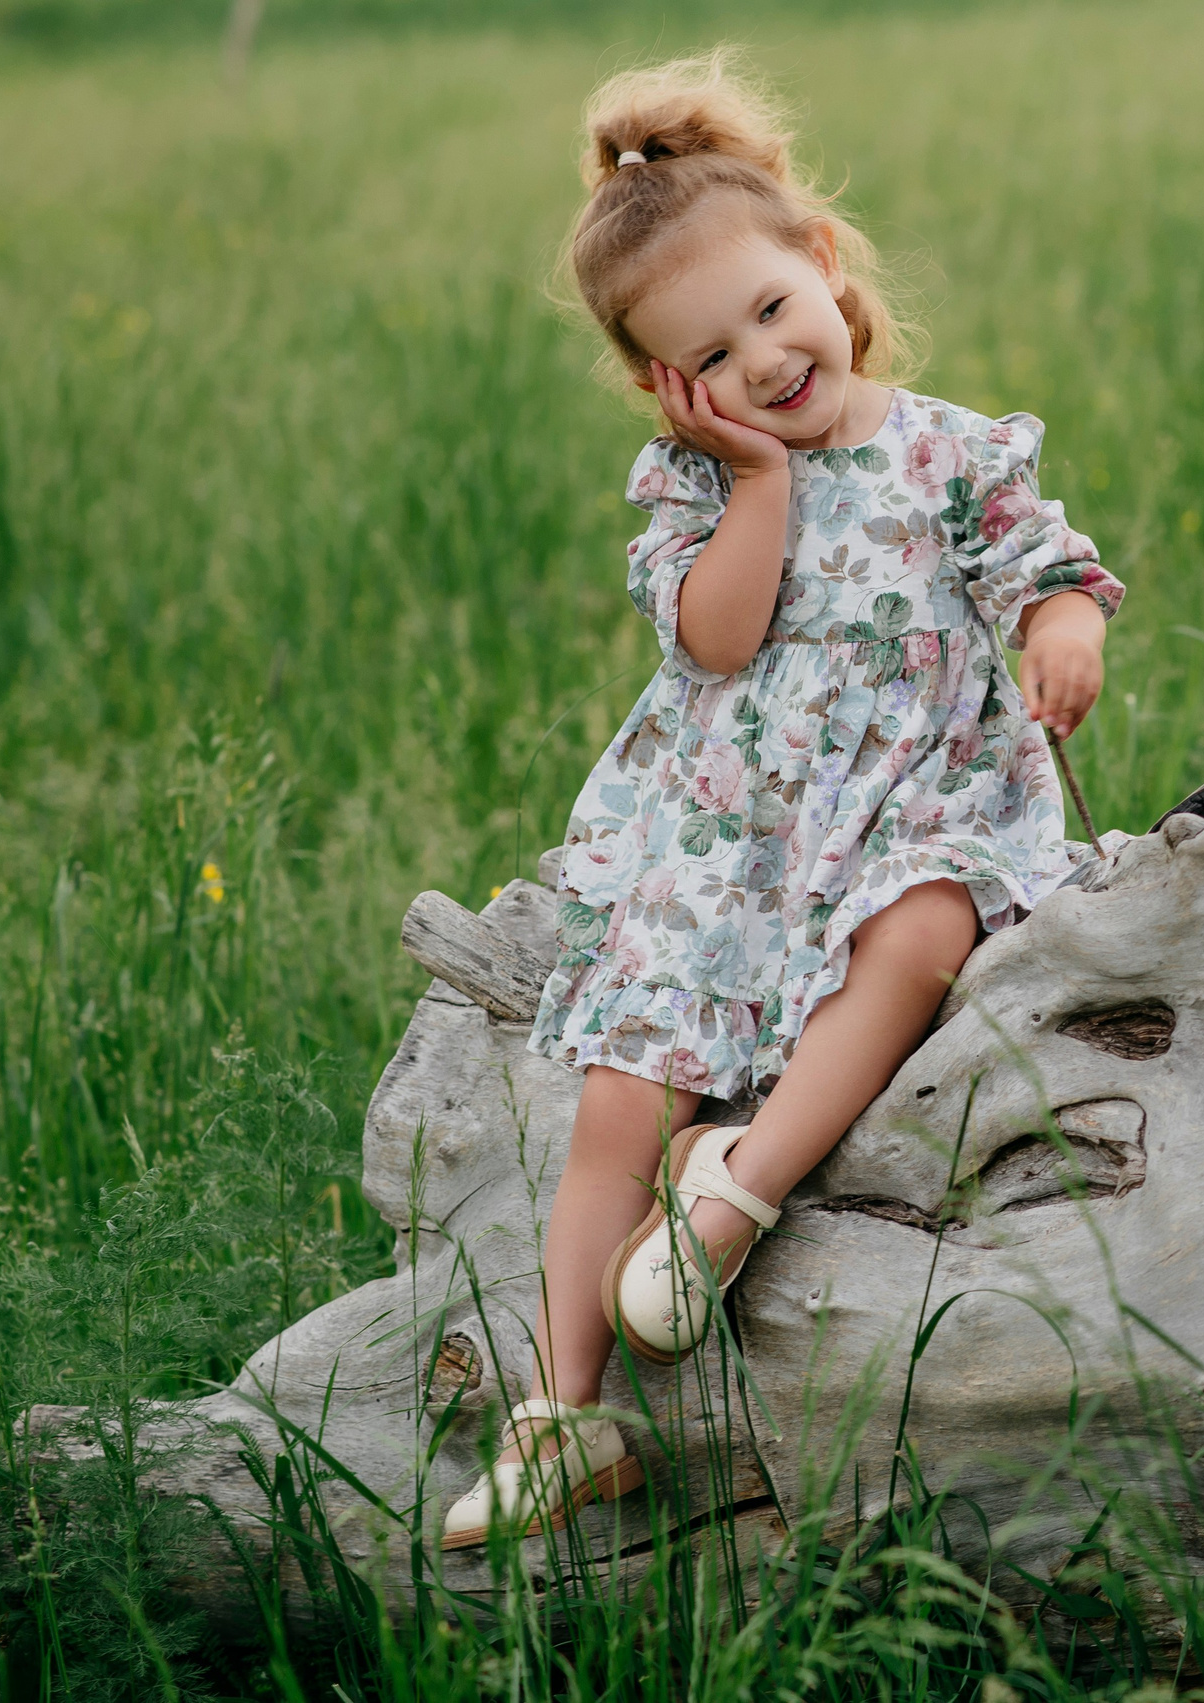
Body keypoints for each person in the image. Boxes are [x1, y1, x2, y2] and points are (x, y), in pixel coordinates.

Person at [442, 46, 1124, 1549]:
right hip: (732, 844)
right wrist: (755, 481)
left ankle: (736, 1193)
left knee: (920, 934)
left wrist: (1061, 627)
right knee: (621, 1092)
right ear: (663, 386)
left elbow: (1048, 566)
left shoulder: (950, 450)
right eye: (713, 354)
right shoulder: (688, 489)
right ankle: (565, 1412)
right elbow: (718, 635)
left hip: (915, 810)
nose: (764, 358)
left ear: (821, 259)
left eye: (771, 306)